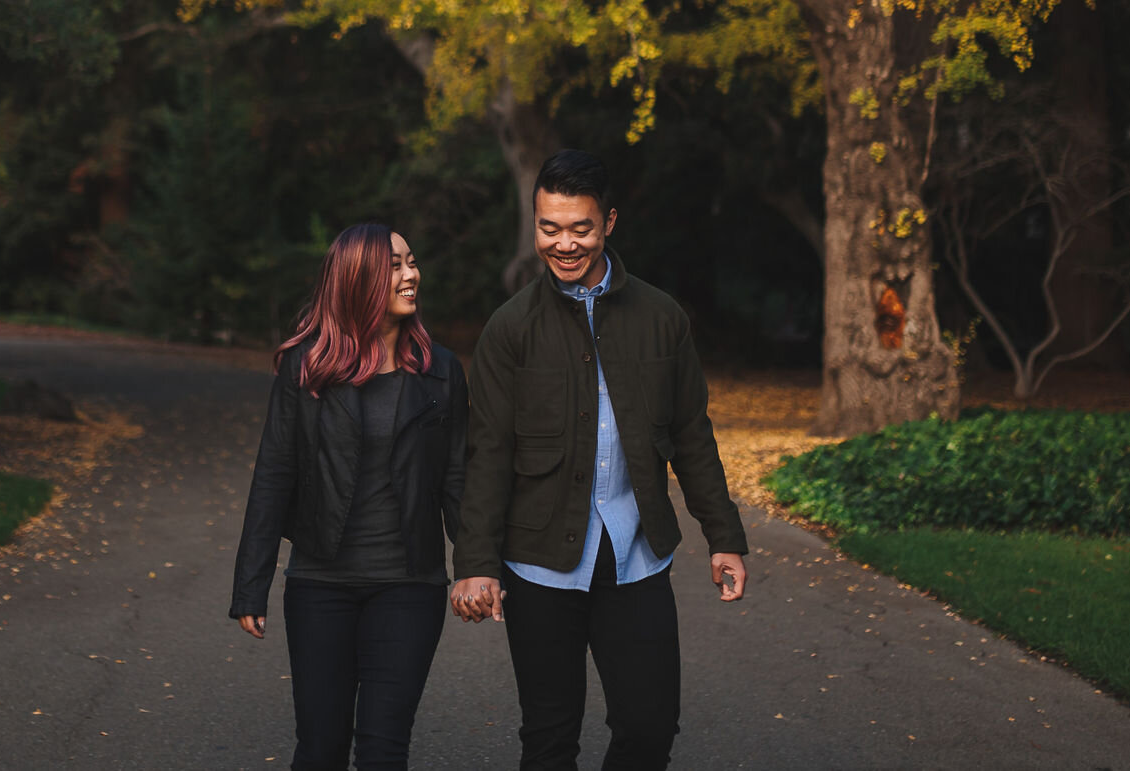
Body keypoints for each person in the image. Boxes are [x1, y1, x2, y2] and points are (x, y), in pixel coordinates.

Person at [448, 149, 748, 771]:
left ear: (609, 222)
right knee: (550, 738)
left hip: (634, 559)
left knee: (649, 728)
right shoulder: (510, 329)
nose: (563, 244)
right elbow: (488, 454)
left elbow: (693, 435)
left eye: (579, 228)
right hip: (538, 566)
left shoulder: (663, 319)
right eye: (548, 228)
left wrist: (725, 537)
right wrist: (475, 562)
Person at [230, 223, 468, 771]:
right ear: (358, 280)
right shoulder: (307, 366)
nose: (412, 275)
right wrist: (251, 584)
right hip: (320, 584)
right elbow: (274, 472)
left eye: (412, 262)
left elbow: (458, 477)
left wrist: (481, 567)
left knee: (384, 749)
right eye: (396, 266)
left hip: (410, 584)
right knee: (321, 748)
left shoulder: (441, 370)